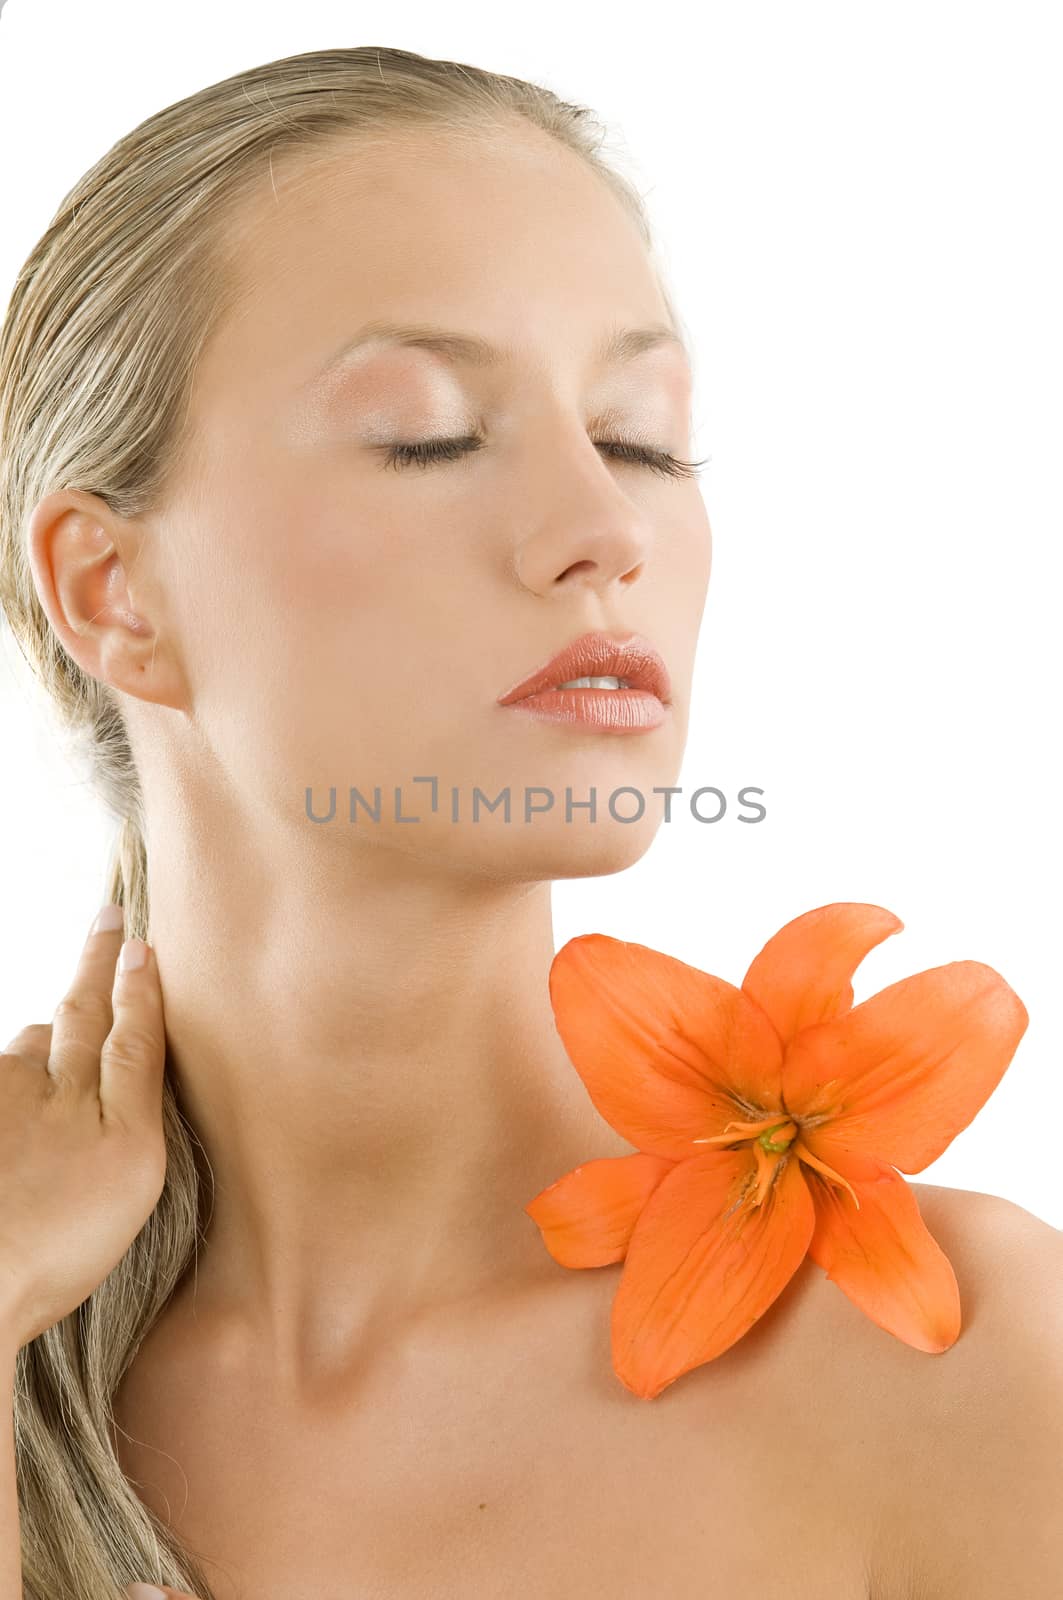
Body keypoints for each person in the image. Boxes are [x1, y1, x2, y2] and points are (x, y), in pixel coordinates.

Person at [0, 43, 1059, 1600]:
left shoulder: (966, 1364)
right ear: (113, 590)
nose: (606, 530)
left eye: (640, 436)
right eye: (427, 434)